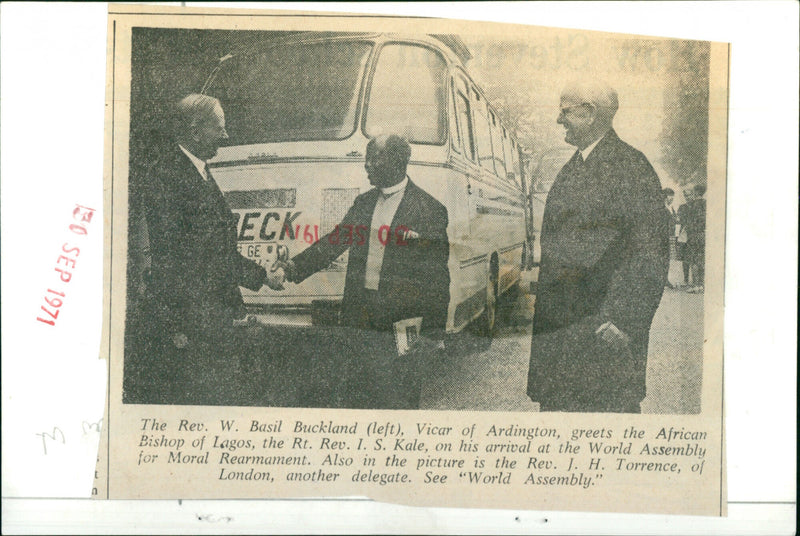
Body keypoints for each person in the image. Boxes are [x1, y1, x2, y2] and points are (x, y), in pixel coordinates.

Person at [124, 93, 283, 405]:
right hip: (192, 323)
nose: (225, 136)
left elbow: (213, 249)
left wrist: (262, 275)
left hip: (205, 317)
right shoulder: (170, 176)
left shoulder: (195, 170)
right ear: (195, 131)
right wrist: (176, 325)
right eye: (219, 128)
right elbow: (182, 257)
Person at [526, 81, 670, 413]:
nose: (559, 121)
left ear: (589, 113)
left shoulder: (631, 167)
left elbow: (650, 253)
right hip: (563, 340)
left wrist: (624, 322)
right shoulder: (571, 169)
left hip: (604, 339)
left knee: (606, 438)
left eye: (565, 112)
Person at [277, 134, 450, 409]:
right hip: (360, 316)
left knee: (399, 400)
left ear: (397, 161)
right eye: (366, 159)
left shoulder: (430, 210)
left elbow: (437, 277)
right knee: (358, 397)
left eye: (374, 158)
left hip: (402, 323)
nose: (367, 165)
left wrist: (434, 331)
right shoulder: (363, 204)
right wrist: (292, 268)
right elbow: (334, 243)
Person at [684, 184, 707, 293]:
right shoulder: (706, 204)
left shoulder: (692, 205)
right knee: (701, 260)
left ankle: (694, 285)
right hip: (703, 234)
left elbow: (689, 221)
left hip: (693, 235)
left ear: (696, 192)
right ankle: (701, 285)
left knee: (693, 260)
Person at [676, 189, 694, 287]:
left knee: (694, 258)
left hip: (693, 235)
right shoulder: (682, 207)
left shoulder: (696, 206)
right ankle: (686, 279)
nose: (688, 197)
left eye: (689, 195)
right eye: (686, 195)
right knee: (685, 259)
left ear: (693, 194)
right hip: (684, 235)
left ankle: (696, 281)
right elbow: (678, 221)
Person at [662, 188, 678, 288]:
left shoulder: (671, 208)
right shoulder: (660, 208)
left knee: (667, 258)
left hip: (668, 236)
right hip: (661, 236)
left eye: (673, 196)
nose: (672, 198)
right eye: (670, 195)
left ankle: (665, 279)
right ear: (664, 196)